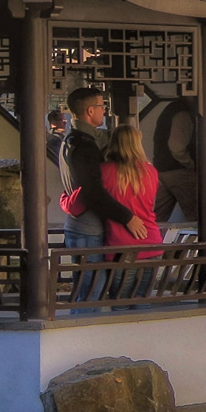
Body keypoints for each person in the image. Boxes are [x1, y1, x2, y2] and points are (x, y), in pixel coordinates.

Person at [58, 88, 144, 300]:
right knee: (90, 293)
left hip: (82, 225)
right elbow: (93, 192)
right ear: (90, 110)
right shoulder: (82, 145)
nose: (104, 111)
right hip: (87, 228)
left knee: (90, 290)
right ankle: (83, 330)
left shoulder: (73, 140)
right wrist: (128, 217)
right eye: (101, 106)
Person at [100, 124, 162, 296]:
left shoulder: (105, 171)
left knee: (120, 302)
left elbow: (97, 201)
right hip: (151, 240)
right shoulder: (151, 171)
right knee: (142, 300)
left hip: (121, 244)